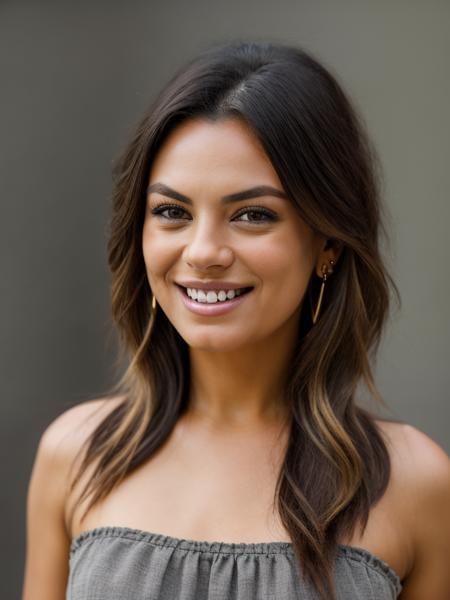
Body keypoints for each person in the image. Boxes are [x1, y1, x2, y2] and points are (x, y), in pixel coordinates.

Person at [22, 41, 450, 600]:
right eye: (172, 212)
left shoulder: (415, 483)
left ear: (328, 244)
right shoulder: (75, 455)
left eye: (252, 215)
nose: (203, 252)